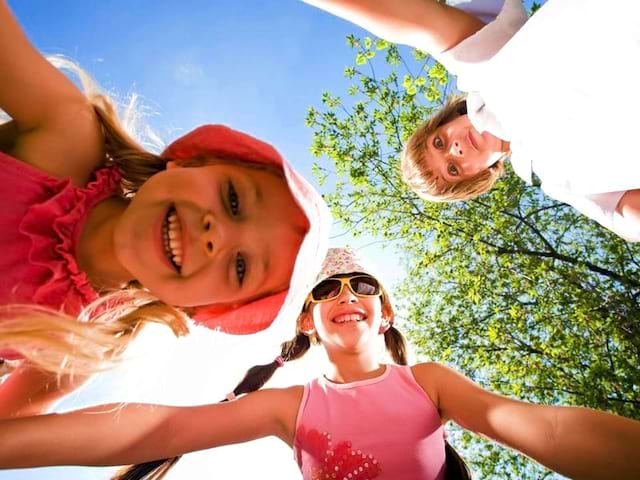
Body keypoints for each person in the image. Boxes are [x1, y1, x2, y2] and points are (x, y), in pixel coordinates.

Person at [1, 247, 638, 480]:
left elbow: (539, 428)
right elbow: (160, 429)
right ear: (307, 321)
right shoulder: (291, 407)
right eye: (326, 291)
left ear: (383, 313)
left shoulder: (430, 383)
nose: (345, 297)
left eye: (360, 285)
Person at [0, 0, 330, 417]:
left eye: (241, 267)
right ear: (192, 162)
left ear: (201, 310)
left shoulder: (78, 349)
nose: (216, 236)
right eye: (233, 199)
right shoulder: (68, 135)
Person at [301, 0, 640, 241]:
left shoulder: (487, 71)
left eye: (440, 143)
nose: (456, 150)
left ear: (445, 122)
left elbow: (418, 23)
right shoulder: (556, 178)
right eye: (452, 168)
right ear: (477, 176)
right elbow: (629, 210)